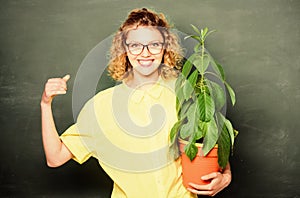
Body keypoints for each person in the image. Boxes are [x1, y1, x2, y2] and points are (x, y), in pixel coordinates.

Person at [41, 8, 232, 197]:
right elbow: (55, 157)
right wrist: (45, 104)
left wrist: (226, 176)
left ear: (165, 47)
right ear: (124, 49)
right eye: (135, 45)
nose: (145, 53)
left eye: (154, 44)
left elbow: (211, 138)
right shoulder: (101, 106)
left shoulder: (184, 90)